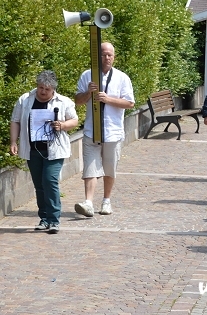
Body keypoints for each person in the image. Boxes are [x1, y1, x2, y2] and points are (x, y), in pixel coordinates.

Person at [10, 71, 79, 234]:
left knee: (49, 180)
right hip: (33, 149)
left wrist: (62, 125)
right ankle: (44, 218)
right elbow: (15, 120)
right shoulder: (25, 99)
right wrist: (13, 141)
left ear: (53, 89)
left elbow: (74, 120)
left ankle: (54, 220)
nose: (42, 91)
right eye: (40, 87)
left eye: (46, 89)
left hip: (54, 150)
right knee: (39, 185)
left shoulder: (63, 102)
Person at [74, 43, 135, 218]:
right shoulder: (87, 75)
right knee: (90, 168)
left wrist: (108, 99)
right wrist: (88, 94)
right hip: (91, 131)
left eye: (109, 55)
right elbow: (77, 100)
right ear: (97, 56)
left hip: (113, 131)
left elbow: (130, 103)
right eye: (103, 55)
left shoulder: (122, 78)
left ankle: (106, 200)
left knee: (109, 168)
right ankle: (88, 202)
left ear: (114, 57)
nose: (106, 58)